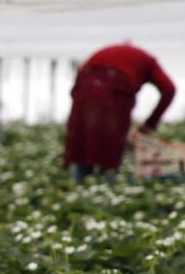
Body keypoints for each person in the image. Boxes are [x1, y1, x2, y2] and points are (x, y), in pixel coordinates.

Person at [64, 42, 175, 182]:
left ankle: (80, 184)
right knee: (111, 146)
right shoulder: (148, 61)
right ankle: (107, 184)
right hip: (115, 88)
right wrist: (149, 124)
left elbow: (79, 79)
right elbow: (169, 89)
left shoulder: (109, 53)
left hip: (85, 87)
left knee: (82, 142)